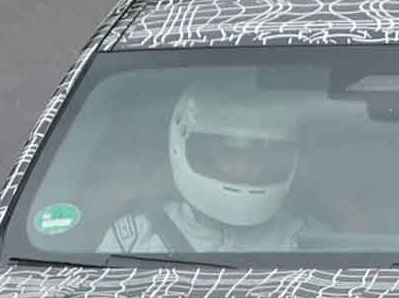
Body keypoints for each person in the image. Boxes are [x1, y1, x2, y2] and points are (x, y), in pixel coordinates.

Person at [99, 77, 312, 253]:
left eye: (259, 151)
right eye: (230, 147)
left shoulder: (305, 242)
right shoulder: (135, 239)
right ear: (197, 150)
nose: (244, 167)